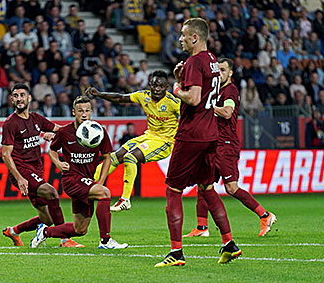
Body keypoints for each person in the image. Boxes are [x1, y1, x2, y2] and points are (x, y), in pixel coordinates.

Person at [156, 18, 241, 267]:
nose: (180, 39)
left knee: (173, 190)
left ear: (195, 38)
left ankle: (176, 253)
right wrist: (182, 79)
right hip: (211, 135)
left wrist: (175, 88)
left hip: (191, 135)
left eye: (183, 35)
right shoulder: (213, 61)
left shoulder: (194, 61)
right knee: (206, 188)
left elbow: (193, 98)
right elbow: (202, 91)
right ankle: (228, 244)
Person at [184, 58, 277, 239]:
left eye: (224, 70)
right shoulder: (215, 90)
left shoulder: (230, 91)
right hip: (213, 143)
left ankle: (265, 216)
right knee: (204, 184)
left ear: (231, 73)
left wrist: (208, 106)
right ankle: (202, 227)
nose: (220, 73)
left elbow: (227, 113)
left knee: (231, 188)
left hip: (225, 145)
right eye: (218, 70)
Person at [31, 96, 128, 249]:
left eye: (87, 111)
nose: (84, 114)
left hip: (88, 180)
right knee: (104, 193)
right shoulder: (65, 132)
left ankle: (45, 232)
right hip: (71, 180)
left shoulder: (99, 131)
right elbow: (52, 150)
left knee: (80, 229)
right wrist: (58, 163)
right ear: (73, 112)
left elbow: (107, 157)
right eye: (80, 111)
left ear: (91, 112)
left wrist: (100, 181)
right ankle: (106, 241)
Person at [1, 83, 82, 248]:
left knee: (48, 218)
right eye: (15, 96)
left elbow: (60, 130)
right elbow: (5, 154)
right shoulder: (10, 123)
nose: (19, 99)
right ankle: (65, 239)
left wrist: (80, 127)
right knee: (51, 192)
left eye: (22, 95)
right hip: (22, 170)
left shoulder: (36, 118)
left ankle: (14, 231)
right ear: (12, 99)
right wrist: (19, 178)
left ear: (29, 98)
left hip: (36, 168)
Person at [86, 70, 181, 212]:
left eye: (160, 86)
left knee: (130, 157)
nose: (156, 89)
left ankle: (125, 199)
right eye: (154, 85)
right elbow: (120, 98)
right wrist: (100, 94)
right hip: (148, 136)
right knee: (116, 156)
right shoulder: (143, 96)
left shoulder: (174, 103)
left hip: (164, 142)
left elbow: (190, 119)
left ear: (166, 87)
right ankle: (88, 185)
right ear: (150, 84)